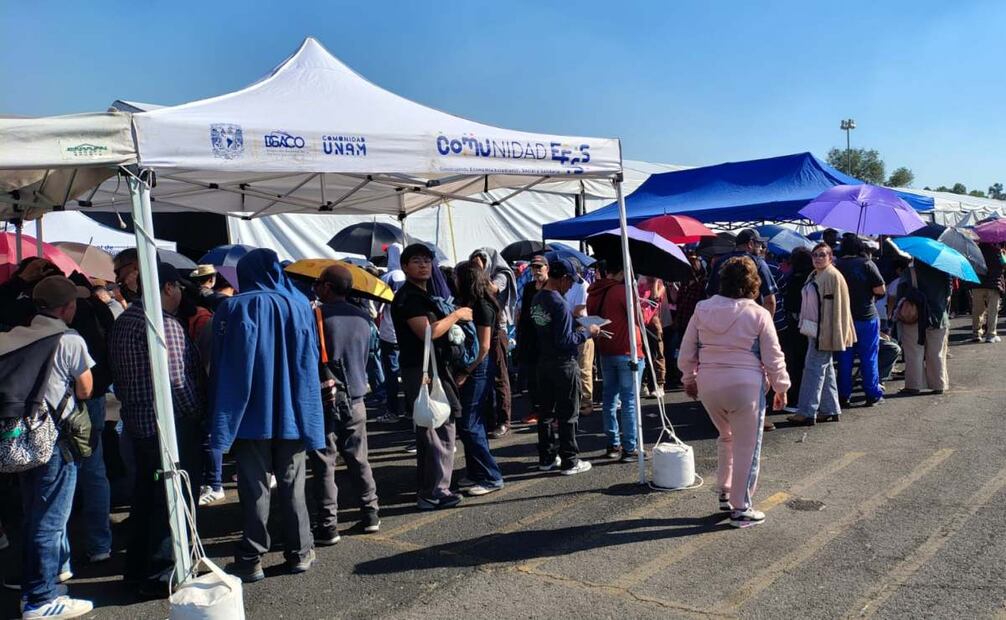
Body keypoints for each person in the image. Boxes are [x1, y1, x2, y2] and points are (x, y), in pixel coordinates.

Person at [210, 249, 325, 582]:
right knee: (293, 485)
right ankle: (300, 552)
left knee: (254, 489)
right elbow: (309, 362)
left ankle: (251, 557)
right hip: (294, 412)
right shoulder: (301, 306)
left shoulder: (231, 307)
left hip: (248, 416)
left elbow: (223, 364)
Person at [0, 276, 95, 618]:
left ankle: (37, 588)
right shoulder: (70, 340)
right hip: (53, 438)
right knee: (50, 521)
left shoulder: (12, 336)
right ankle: (40, 600)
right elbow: (86, 389)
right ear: (67, 307)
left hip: (19, 437)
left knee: (32, 516)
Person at [108, 263, 205, 596]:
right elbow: (178, 383)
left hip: (136, 423)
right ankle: (163, 574)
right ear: (166, 288)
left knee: (146, 500)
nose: (180, 293)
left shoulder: (123, 321)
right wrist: (198, 414)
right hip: (169, 429)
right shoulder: (164, 325)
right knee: (171, 501)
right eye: (177, 287)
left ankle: (137, 570)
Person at [678, 257, 789, 528]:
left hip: (709, 384)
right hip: (745, 385)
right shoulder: (759, 313)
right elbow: (773, 357)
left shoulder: (702, 308)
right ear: (753, 283)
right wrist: (781, 386)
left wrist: (689, 377)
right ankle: (741, 507)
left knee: (726, 437)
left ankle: (725, 492)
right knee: (747, 448)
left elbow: (686, 352)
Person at [391, 243, 472, 510]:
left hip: (432, 369)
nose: (424, 265)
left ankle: (431, 487)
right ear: (404, 266)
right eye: (416, 261)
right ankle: (435, 490)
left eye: (427, 261)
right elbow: (428, 332)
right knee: (437, 427)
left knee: (433, 427)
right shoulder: (409, 298)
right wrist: (457, 315)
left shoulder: (422, 294)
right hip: (423, 371)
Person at [309, 265, 381, 542]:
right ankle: (370, 512)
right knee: (359, 458)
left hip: (324, 397)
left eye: (319, 282)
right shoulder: (364, 318)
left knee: (324, 462)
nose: (316, 286)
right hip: (357, 397)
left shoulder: (316, 317)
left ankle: (328, 525)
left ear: (327, 286)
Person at [530, 258, 600, 475]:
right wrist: (588, 332)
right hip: (563, 363)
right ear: (563, 279)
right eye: (570, 281)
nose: (571, 286)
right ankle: (570, 460)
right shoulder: (558, 302)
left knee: (546, 413)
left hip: (543, 362)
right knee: (568, 413)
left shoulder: (537, 298)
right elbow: (565, 340)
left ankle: (547, 457)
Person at [787, 243, 856, 426]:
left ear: (830, 257)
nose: (818, 258)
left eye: (822, 255)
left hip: (823, 332)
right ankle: (830, 408)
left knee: (813, 369)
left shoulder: (831, 276)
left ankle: (806, 411)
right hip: (814, 329)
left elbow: (835, 310)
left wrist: (827, 333)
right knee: (824, 369)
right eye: (815, 254)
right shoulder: (817, 274)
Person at [453, 262, 505, 496]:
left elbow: (483, 346)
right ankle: (476, 472)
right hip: (475, 366)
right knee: (472, 423)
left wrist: (466, 371)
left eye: (456, 276)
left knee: (469, 423)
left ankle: (491, 476)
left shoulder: (483, 305)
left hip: (479, 368)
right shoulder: (472, 302)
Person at [586, 256, 645, 462]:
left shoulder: (593, 292)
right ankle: (630, 447)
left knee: (610, 397)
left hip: (606, 350)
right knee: (629, 400)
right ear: (622, 271)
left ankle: (613, 443)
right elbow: (640, 319)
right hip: (628, 350)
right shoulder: (623, 291)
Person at [834, 237, 886, 407]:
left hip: (843, 318)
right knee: (869, 357)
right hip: (866, 316)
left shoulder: (835, 266)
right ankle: (872, 393)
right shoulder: (866, 264)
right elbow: (880, 289)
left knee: (844, 358)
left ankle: (843, 395)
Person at [470, 248, 515, 437]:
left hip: (498, 329)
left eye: (479, 262)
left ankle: (504, 420)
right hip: (481, 326)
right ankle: (488, 418)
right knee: (483, 376)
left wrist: (479, 275)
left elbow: (493, 288)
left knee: (499, 375)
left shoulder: (501, 274)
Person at [896, 261, 953, 395]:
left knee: (913, 352)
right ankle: (939, 384)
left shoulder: (909, 272)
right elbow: (948, 295)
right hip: (938, 317)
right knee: (937, 352)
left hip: (915, 317)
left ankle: (913, 385)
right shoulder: (945, 271)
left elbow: (901, 293)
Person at [705, 229, 778, 317]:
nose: (761, 248)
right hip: (750, 321)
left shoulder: (719, 262)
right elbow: (770, 301)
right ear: (750, 244)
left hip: (721, 320)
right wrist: (764, 325)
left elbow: (709, 296)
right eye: (759, 243)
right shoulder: (758, 263)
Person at [516, 255, 549, 425]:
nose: (536, 271)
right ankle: (536, 409)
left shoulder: (551, 287)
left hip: (546, 338)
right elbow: (522, 310)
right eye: (533, 267)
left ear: (546, 268)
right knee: (532, 376)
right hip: (529, 336)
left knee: (547, 377)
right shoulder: (529, 287)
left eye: (539, 267)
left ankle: (549, 410)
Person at [375, 243, 406, 423]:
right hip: (407, 332)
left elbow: (378, 307)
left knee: (392, 374)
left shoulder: (387, 277)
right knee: (410, 374)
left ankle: (393, 411)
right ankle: (410, 410)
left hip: (388, 332)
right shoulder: (408, 276)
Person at [779, 247, 813, 410]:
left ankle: (794, 398)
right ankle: (809, 398)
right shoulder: (813, 277)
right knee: (811, 363)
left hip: (793, 324)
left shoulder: (791, 277)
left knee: (794, 363)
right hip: (811, 324)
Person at [564, 267, 595, 416]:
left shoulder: (583, 286)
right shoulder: (564, 285)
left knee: (584, 368)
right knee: (573, 369)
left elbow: (579, 311)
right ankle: (576, 400)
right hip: (570, 331)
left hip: (583, 331)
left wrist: (563, 313)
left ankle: (586, 402)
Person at [637, 276, 666, 399]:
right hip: (640, 321)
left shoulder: (659, 284)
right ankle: (643, 384)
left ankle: (659, 385)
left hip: (653, 322)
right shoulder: (639, 282)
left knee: (656, 354)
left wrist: (654, 282)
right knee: (641, 354)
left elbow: (655, 299)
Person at [970, 242, 1004, 343]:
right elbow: (1003, 265)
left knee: (977, 310)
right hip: (993, 284)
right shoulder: (997, 251)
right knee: (992, 311)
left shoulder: (975, 250)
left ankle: (976, 333)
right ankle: (991, 335)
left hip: (978, 284)